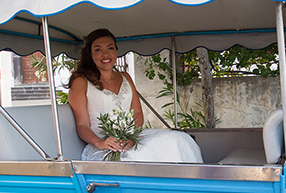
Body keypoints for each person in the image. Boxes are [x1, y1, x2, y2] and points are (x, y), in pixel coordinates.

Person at [68, 29, 203, 163]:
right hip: (104, 144)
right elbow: (82, 125)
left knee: (178, 139)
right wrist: (100, 143)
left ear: (116, 51)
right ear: (90, 55)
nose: (105, 54)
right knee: (139, 156)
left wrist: (131, 137)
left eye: (110, 48)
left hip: (131, 138)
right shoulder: (81, 82)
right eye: (98, 50)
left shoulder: (125, 77)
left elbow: (137, 112)